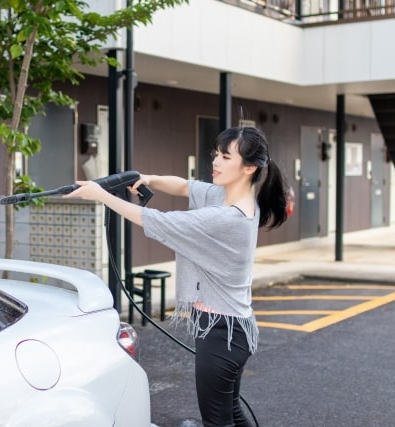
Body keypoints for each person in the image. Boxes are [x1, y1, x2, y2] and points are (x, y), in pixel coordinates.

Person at [64, 126, 288, 427]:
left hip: (221, 334)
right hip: (234, 329)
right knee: (231, 411)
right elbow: (184, 186)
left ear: (249, 167)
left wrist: (102, 196)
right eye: (216, 155)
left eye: (225, 157)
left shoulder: (225, 218)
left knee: (217, 420)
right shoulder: (230, 198)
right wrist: (149, 179)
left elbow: (158, 221)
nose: (216, 162)